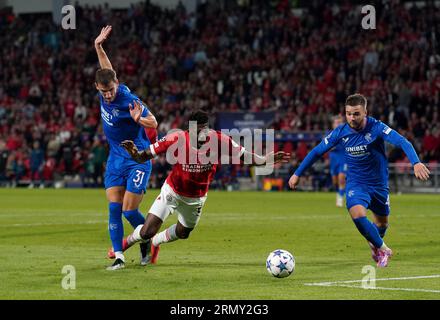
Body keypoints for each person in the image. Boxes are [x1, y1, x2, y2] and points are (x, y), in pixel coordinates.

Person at [107, 110, 291, 266]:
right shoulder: (175, 138)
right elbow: (142, 157)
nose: (202, 134)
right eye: (198, 130)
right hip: (171, 191)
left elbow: (247, 157)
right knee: (147, 230)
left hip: (196, 198)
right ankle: (125, 244)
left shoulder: (220, 140)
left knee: (183, 233)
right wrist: (133, 152)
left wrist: (267, 159)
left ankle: (156, 242)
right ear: (190, 130)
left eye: (204, 129)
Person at [288, 93, 430, 268]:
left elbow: (402, 142)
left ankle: (375, 244)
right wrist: (297, 173)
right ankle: (384, 249)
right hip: (357, 183)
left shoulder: (376, 127)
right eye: (348, 113)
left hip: (379, 185)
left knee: (382, 224)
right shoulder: (340, 132)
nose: (351, 118)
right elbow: (317, 151)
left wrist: (415, 162)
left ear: (365, 112)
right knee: (357, 213)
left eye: (356, 114)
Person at [94, 25, 158, 270]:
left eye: (110, 90)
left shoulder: (129, 100)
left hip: (138, 157)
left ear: (117, 84)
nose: (108, 96)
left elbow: (154, 122)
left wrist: (138, 120)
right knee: (113, 208)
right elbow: (105, 68)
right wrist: (98, 45)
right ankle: (119, 257)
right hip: (115, 159)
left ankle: (147, 241)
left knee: (130, 211)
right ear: (97, 88)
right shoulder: (103, 88)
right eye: (104, 92)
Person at [329, 115, 347, 207]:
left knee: (341, 178)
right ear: (333, 125)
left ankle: (340, 197)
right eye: (337, 122)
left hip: (343, 158)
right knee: (335, 181)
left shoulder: (346, 134)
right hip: (333, 159)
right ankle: (338, 192)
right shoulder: (330, 135)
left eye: (340, 122)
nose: (338, 124)